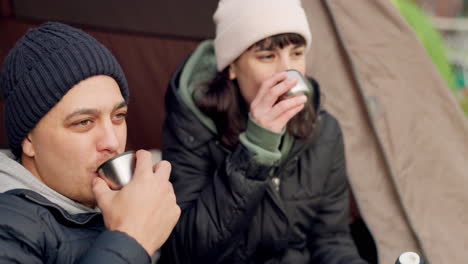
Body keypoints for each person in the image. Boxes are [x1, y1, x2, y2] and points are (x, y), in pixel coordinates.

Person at [160, 0, 368, 263]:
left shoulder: (324, 129)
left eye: (296, 53)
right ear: (233, 67)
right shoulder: (194, 127)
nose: (288, 72)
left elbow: (331, 240)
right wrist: (255, 149)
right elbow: (186, 252)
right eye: (267, 56)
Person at [0, 22, 180, 263]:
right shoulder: (9, 227)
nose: (113, 142)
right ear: (28, 140)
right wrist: (131, 237)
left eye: (118, 116)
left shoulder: (136, 187)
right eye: (84, 122)